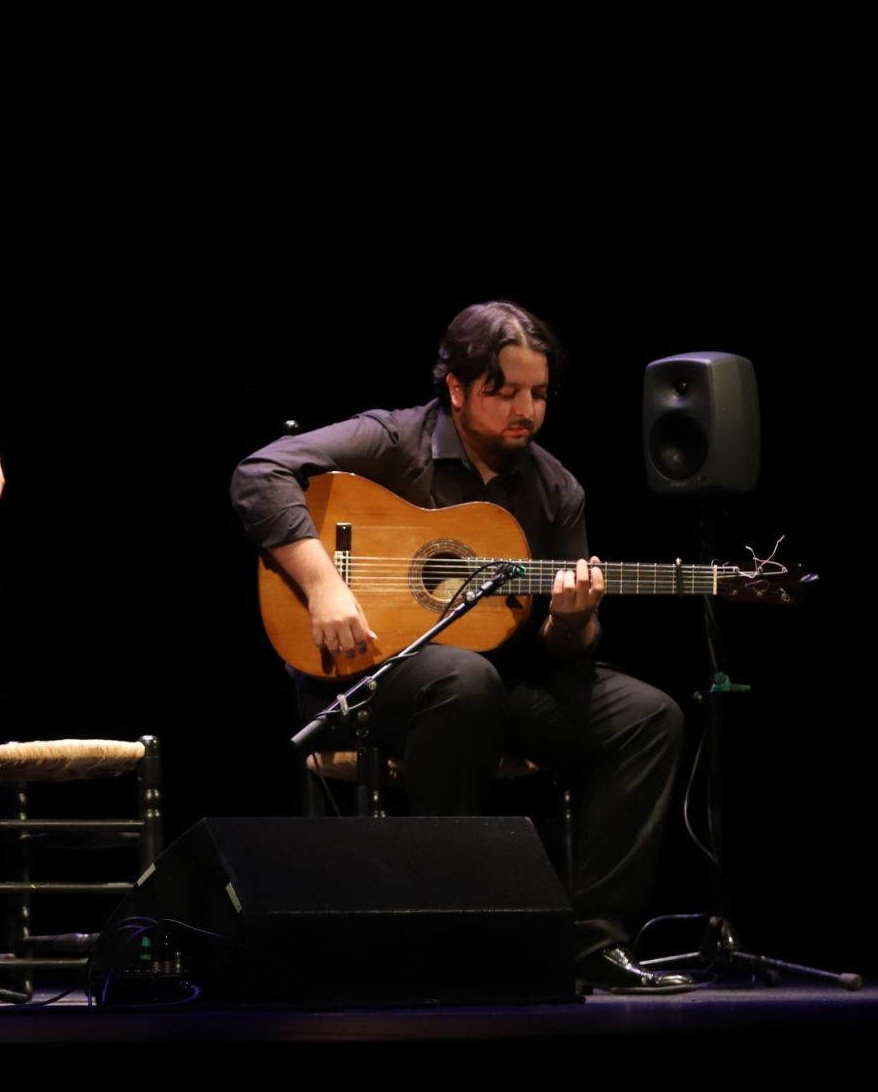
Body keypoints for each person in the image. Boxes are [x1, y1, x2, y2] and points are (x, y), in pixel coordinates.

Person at [230, 300, 692, 993]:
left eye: (538, 394)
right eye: (504, 391)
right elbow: (257, 473)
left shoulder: (555, 488)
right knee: (462, 680)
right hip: (376, 679)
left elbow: (568, 655)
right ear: (457, 388)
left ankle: (592, 943)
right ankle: (446, 931)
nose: (524, 410)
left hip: (508, 684)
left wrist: (572, 621)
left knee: (650, 715)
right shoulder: (394, 441)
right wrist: (325, 585)